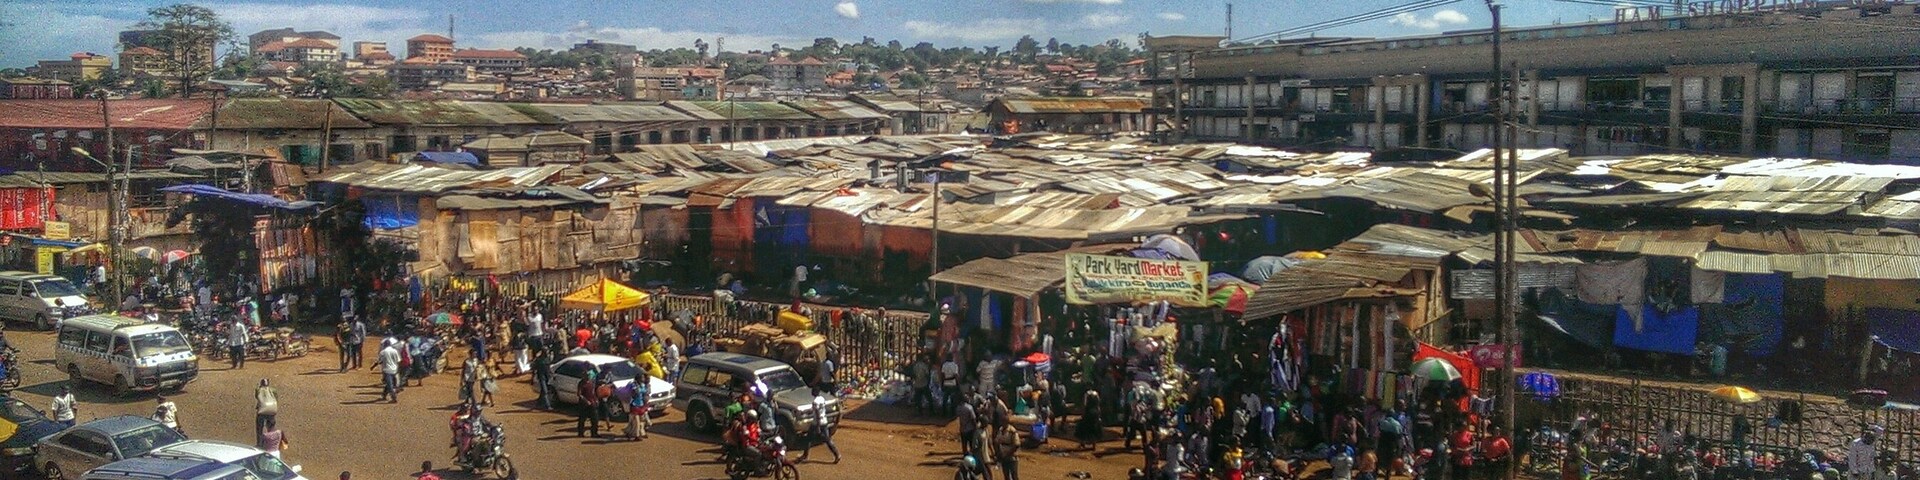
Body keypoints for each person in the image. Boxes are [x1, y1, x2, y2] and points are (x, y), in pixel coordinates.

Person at [800, 391, 840, 463]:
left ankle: (805, 455)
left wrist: (818, 426)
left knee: (808, 438)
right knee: (827, 439)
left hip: (816, 423)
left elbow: (817, 413)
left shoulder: (815, 402)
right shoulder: (822, 398)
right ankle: (836, 454)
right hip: (824, 421)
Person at [576, 367, 601, 437]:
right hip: (584, 405)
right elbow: (579, 394)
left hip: (592, 403)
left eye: (588, 375)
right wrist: (586, 401)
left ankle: (594, 433)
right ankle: (580, 433)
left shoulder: (591, 382)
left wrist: (596, 399)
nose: (588, 377)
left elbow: (594, 392)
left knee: (595, 419)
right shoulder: (581, 383)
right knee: (582, 419)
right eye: (586, 375)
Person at [379, 338, 403, 403]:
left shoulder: (383, 352)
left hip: (387, 370)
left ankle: (393, 397)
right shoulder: (395, 351)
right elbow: (398, 360)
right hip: (394, 369)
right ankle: (384, 395)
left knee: (389, 384)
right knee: (389, 382)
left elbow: (380, 361)